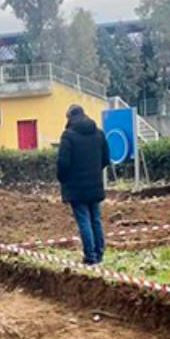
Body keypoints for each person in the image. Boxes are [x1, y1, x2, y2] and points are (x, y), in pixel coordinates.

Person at [57, 104, 110, 265]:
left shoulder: (68, 136)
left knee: (83, 220)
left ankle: (90, 256)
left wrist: (63, 179)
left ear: (69, 117)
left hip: (76, 187)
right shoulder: (99, 133)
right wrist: (94, 172)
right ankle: (99, 253)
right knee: (95, 219)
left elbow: (63, 163)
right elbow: (106, 159)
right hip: (95, 185)